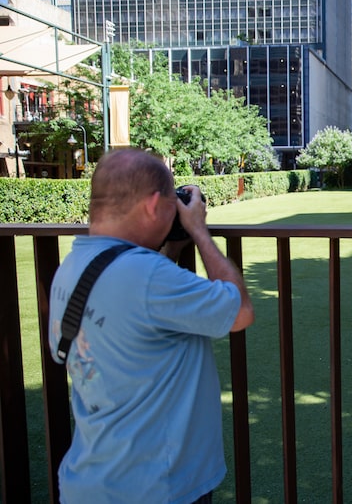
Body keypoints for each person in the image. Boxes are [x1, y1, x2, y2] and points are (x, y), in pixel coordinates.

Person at [48, 148, 255, 504]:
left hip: (88, 482)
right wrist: (199, 232)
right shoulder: (148, 279)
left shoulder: (72, 265)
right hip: (157, 488)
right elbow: (240, 312)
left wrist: (170, 248)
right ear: (153, 205)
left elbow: (140, 304)